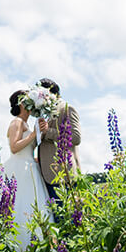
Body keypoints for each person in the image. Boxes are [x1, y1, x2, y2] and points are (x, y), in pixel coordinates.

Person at [3, 89, 52, 252]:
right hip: (19, 170)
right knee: (22, 208)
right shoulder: (16, 122)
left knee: (35, 209)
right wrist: (33, 134)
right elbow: (14, 147)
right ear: (22, 104)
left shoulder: (25, 124)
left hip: (30, 169)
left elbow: (28, 150)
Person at [34, 77, 81, 206]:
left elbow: (76, 138)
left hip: (64, 175)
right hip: (47, 176)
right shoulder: (43, 112)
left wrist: (48, 132)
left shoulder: (67, 108)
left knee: (67, 217)